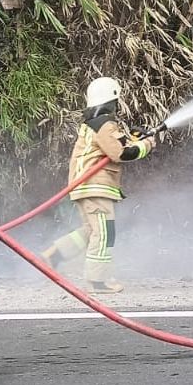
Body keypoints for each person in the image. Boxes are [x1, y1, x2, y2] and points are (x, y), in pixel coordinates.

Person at [42, 77, 156, 293]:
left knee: (92, 230)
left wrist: (134, 138)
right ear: (111, 100)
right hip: (95, 185)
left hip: (85, 185)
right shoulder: (104, 124)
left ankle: (55, 254)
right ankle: (98, 281)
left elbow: (117, 144)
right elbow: (120, 153)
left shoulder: (95, 124)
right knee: (104, 232)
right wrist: (147, 145)